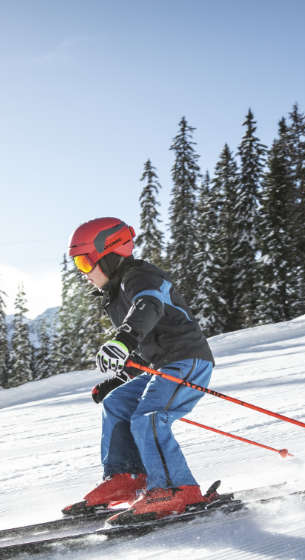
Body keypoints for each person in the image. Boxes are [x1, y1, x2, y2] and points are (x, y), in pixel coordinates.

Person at [63, 217, 216, 522]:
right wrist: (116, 381)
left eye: (84, 262)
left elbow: (149, 306)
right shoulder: (117, 294)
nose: (84, 273)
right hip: (162, 365)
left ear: (107, 255)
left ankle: (178, 489)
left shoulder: (141, 278)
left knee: (149, 418)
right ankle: (129, 477)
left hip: (188, 360)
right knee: (117, 402)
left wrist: (123, 340)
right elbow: (144, 352)